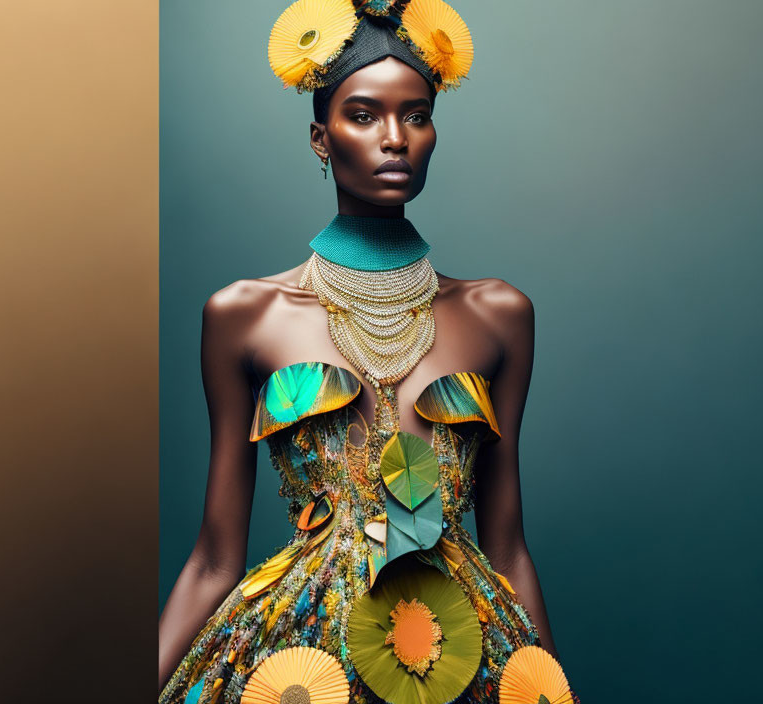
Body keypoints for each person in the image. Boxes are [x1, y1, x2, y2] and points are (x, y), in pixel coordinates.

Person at [159, 2, 580, 702]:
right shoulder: (243, 316)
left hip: (467, 655)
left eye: (416, 115)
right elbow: (213, 558)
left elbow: (506, 548)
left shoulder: (499, 315)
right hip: (298, 663)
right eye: (363, 115)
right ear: (321, 139)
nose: (395, 138)